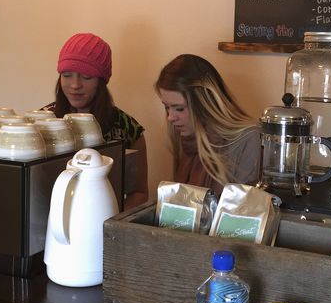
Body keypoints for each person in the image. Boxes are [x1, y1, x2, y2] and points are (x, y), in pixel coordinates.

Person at [43, 33, 148, 208]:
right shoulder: (45, 122)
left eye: (86, 77)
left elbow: (140, 193)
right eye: (67, 75)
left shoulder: (128, 129)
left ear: (102, 81)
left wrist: (108, 223)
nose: (75, 85)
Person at [154, 54, 261, 195]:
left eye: (179, 108)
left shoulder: (248, 139)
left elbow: (244, 209)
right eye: (166, 107)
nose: (170, 117)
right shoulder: (185, 136)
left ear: (205, 104)